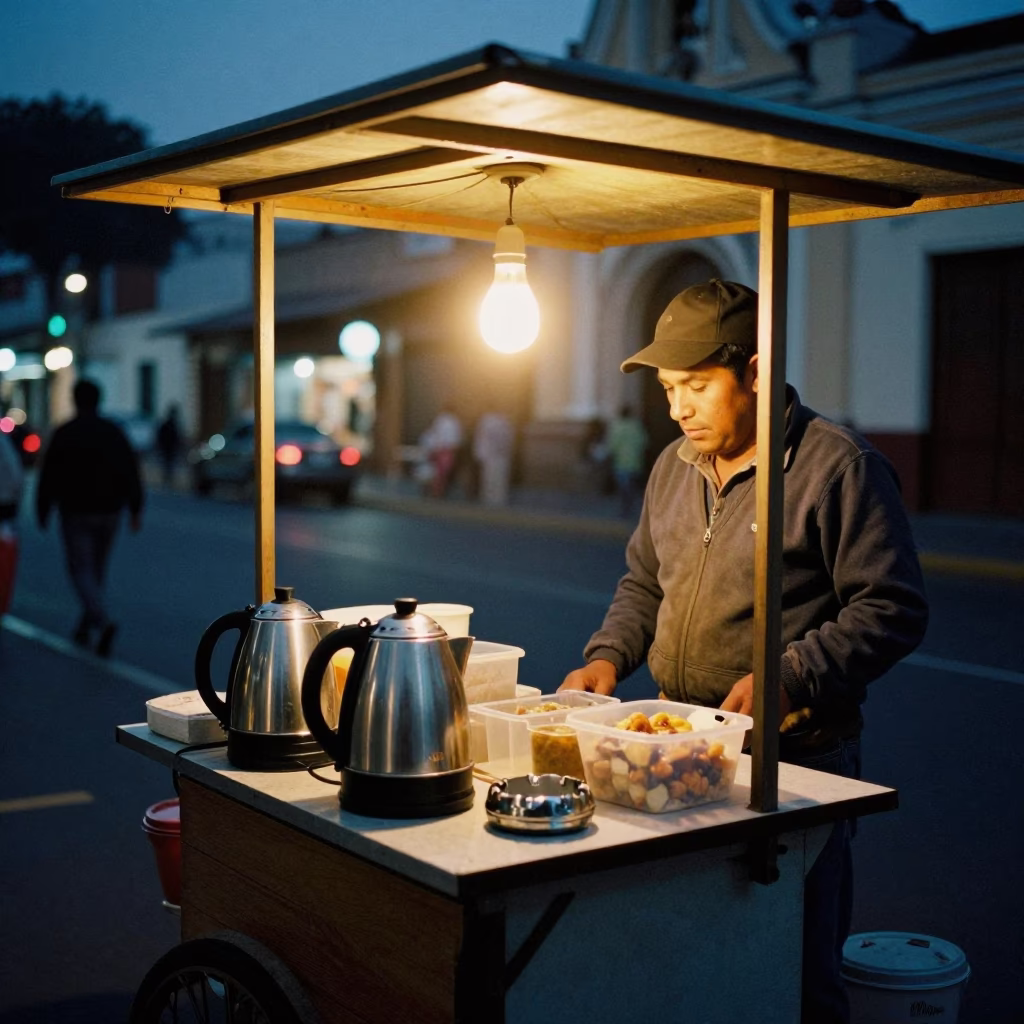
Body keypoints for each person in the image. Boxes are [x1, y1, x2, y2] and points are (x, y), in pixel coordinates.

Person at [559, 279, 928, 1024]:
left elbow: (892, 606)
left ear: (755, 372)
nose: (679, 408)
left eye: (697, 385)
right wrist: (608, 657)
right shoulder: (672, 467)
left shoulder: (838, 467)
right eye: (668, 388)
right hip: (675, 751)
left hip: (793, 762)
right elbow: (644, 583)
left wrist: (791, 676)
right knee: (695, 955)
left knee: (792, 966)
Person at [36, 379, 144, 656]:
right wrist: (135, 508)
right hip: (110, 511)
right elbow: (130, 470)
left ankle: (102, 620)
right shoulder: (113, 432)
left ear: (75, 400)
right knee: (95, 569)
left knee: (81, 570)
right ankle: (87, 623)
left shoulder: (65, 433)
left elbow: (49, 474)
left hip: (76, 511)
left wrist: (43, 509)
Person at [605, 404, 648, 517]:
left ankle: (625, 507)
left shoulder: (617, 426)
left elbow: (612, 444)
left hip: (621, 462)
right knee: (632, 485)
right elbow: (644, 442)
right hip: (635, 461)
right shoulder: (636, 426)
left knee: (623, 486)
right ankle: (630, 505)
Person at [420, 405, 464, 498]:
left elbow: (435, 434)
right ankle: (438, 493)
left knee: (437, 473)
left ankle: (435, 492)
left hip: (439, 449)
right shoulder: (454, 421)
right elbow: (456, 439)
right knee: (442, 474)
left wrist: (434, 449)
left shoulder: (440, 419)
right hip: (448, 450)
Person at [472, 410, 515, 506]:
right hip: (498, 456)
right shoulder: (504, 423)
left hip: (492, 456)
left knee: (490, 478)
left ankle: (491, 499)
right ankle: (496, 499)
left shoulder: (487, 421)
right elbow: (508, 440)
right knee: (495, 479)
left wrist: (479, 454)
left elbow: (481, 438)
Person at [156, 404, 183, 486]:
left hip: (170, 448)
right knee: (167, 464)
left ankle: (168, 478)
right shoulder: (168, 424)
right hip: (167, 448)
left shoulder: (173, 424)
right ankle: (167, 478)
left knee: (169, 464)